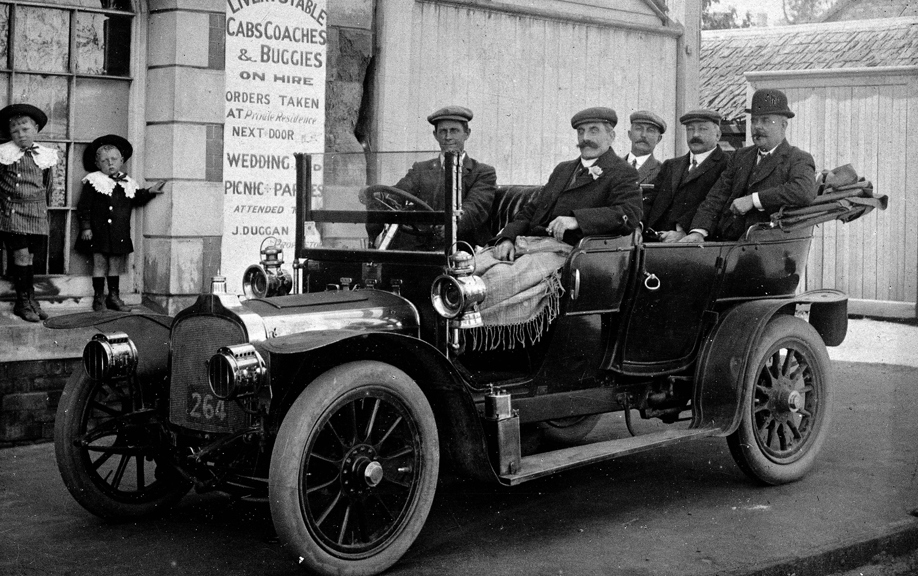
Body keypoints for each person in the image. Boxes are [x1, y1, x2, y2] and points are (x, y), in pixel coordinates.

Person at [494, 107, 642, 261]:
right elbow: (531, 210)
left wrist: (577, 220)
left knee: (494, 280)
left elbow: (629, 214)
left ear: (611, 136)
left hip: (571, 254)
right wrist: (507, 238)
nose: (585, 138)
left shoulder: (623, 171)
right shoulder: (563, 169)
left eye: (593, 131)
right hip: (528, 245)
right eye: (580, 131)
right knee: (472, 267)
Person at [681, 89, 816, 242]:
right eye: (754, 121)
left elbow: (803, 191)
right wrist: (698, 232)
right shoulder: (740, 156)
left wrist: (754, 200)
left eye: (766, 121)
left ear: (783, 125)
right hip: (727, 246)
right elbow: (716, 197)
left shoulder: (797, 158)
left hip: (768, 249)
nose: (757, 127)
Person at [367, 105, 496, 250]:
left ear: (467, 134)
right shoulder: (421, 169)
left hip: (459, 245)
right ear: (435, 135)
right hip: (418, 244)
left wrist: (451, 226)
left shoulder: (483, 173)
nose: (448, 137)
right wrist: (379, 197)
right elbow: (399, 192)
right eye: (443, 131)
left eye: (454, 131)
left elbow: (474, 209)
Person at [76, 134, 164, 312]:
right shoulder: (93, 181)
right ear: (97, 163)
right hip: (98, 233)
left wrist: (150, 191)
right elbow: (84, 206)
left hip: (118, 233)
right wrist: (86, 227)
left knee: (115, 264)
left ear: (122, 160)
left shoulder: (128, 183)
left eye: (114, 159)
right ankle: (99, 298)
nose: (110, 163)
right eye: (104, 160)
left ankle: (114, 297)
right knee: (99, 264)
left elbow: (137, 197)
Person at [0, 104, 59, 323]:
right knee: (21, 256)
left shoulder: (45, 156)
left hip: (36, 212)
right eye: (15, 131)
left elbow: (48, 186)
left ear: (35, 129)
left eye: (25, 129)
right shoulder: (5, 154)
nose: (20, 134)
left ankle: (31, 299)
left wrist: (43, 209)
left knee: (31, 257)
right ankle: (21, 303)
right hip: (13, 212)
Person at [643, 109, 730, 242]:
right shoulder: (671, 165)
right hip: (653, 240)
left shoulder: (727, 165)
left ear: (718, 135)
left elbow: (719, 205)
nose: (695, 134)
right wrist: (639, 226)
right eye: (690, 129)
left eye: (702, 129)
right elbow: (649, 198)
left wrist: (683, 232)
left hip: (694, 245)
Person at [624, 110, 666, 186]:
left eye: (650, 130)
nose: (643, 135)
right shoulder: (612, 167)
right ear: (629, 134)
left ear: (659, 139)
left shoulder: (663, 172)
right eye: (639, 129)